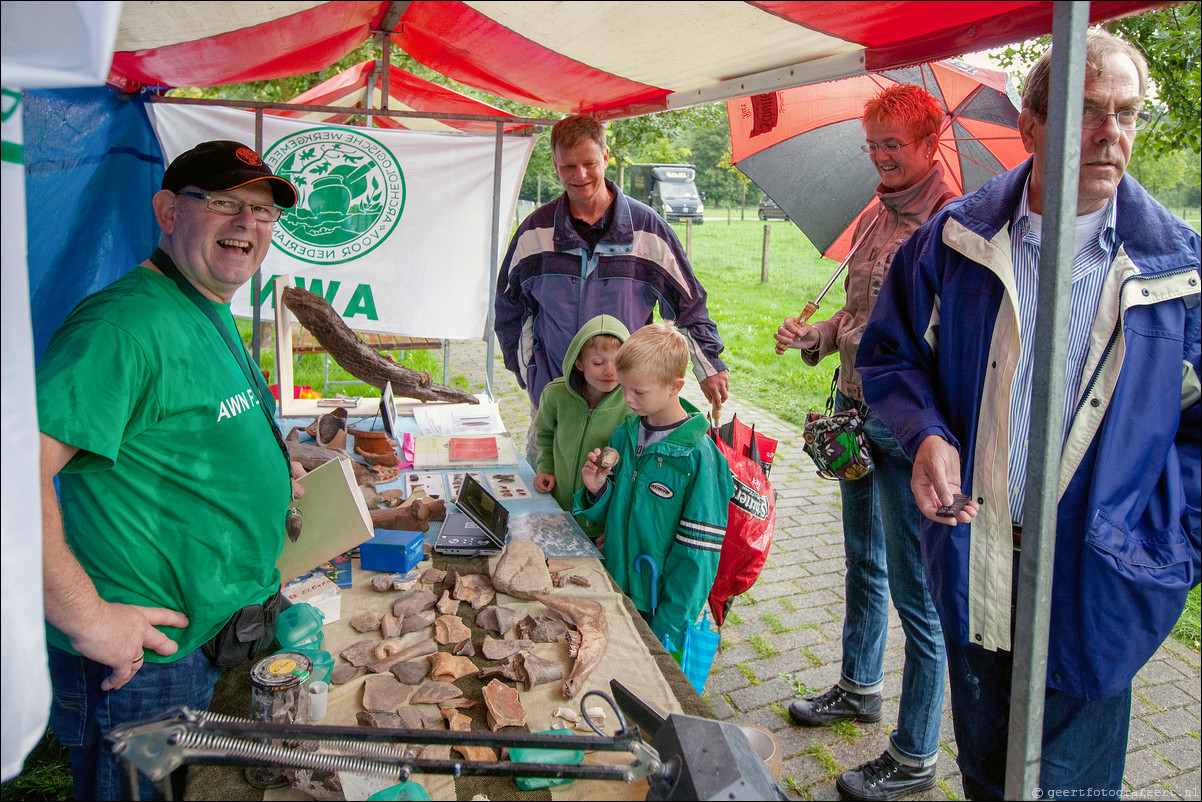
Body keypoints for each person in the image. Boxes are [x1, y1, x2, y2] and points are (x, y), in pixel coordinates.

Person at [857, 29, 1200, 799]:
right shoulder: (954, 243)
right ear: (1033, 125)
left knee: (1071, 790)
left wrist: (1165, 543)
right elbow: (888, 357)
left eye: (1128, 113)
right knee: (986, 775)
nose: (1113, 134)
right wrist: (926, 434)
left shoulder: (1181, 274)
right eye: (1088, 111)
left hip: (1100, 581)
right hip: (976, 560)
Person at [36, 140, 301, 800]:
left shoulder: (205, 302)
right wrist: (89, 618)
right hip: (145, 667)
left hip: (214, 641)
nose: (247, 225)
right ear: (166, 210)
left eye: (263, 213)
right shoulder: (122, 325)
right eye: (223, 204)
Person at [774, 84, 958, 801]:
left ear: (930, 144)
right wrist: (815, 336)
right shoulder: (877, 219)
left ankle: (914, 755)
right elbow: (856, 320)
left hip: (907, 429)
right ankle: (858, 686)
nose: (879, 158)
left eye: (893, 145)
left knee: (919, 594)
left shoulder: (950, 226)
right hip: (855, 413)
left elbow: (940, 345)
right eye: (872, 145)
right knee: (862, 562)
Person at [494, 114, 730, 461]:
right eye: (568, 166)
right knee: (549, 496)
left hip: (629, 404)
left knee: (617, 497)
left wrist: (709, 366)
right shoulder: (536, 233)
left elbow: (687, 304)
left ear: (606, 157)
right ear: (556, 165)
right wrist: (531, 373)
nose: (580, 176)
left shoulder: (647, 229)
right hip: (557, 400)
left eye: (589, 163)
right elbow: (509, 309)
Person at [573, 323, 734, 648]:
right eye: (624, 388)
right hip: (616, 584)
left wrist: (669, 628)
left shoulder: (698, 458)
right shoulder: (626, 433)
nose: (628, 399)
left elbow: (698, 556)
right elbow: (616, 512)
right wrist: (597, 489)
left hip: (658, 607)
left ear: (675, 386)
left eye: (639, 392)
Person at [533, 314, 632, 540]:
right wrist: (545, 467)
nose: (609, 371)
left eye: (618, 362)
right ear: (578, 362)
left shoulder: (631, 406)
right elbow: (545, 434)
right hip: (556, 511)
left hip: (600, 522)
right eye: (598, 363)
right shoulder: (555, 394)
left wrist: (614, 527)